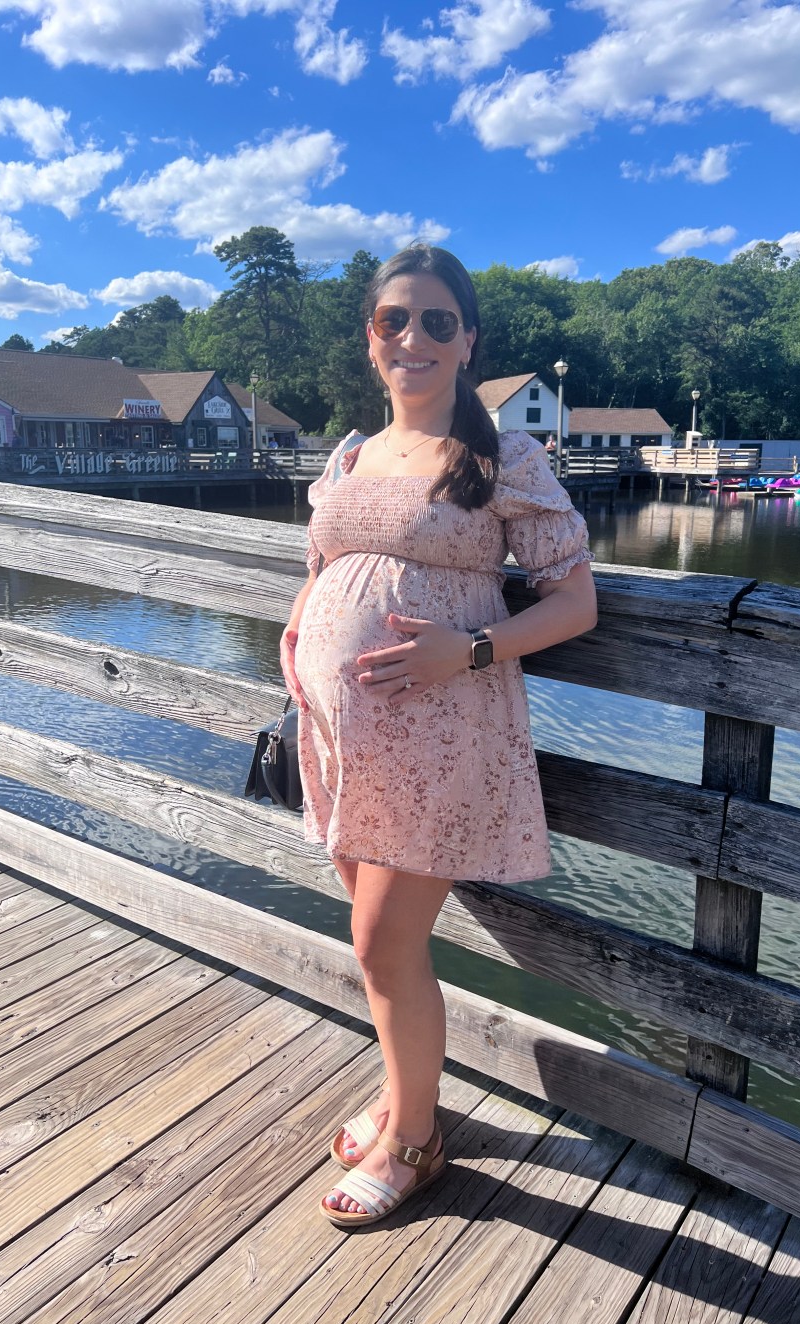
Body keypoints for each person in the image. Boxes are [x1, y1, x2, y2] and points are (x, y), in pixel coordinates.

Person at [281, 244, 598, 1230]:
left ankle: (414, 1144)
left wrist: (466, 651)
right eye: (392, 321)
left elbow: (574, 603)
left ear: (468, 341)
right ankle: (403, 1100)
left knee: (379, 942)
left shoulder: (500, 459)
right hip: (342, 738)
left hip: (445, 735)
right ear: (370, 339)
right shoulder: (349, 455)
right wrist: (301, 657)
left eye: (435, 322)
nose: (412, 338)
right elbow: (323, 574)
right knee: (388, 954)